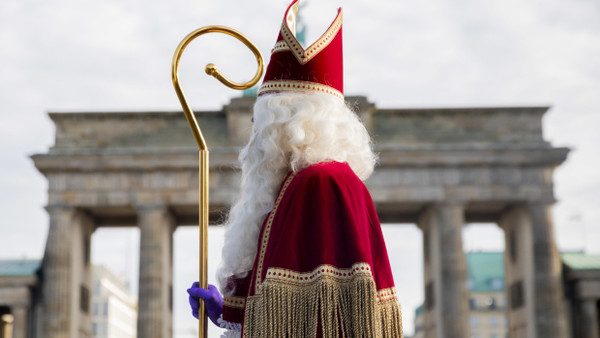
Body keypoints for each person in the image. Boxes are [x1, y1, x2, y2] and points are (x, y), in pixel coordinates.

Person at [187, 1, 403, 337]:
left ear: (287, 123)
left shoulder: (320, 182)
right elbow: (289, 313)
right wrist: (229, 312)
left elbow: (317, 320)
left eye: (261, 119)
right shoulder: (296, 185)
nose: (253, 127)